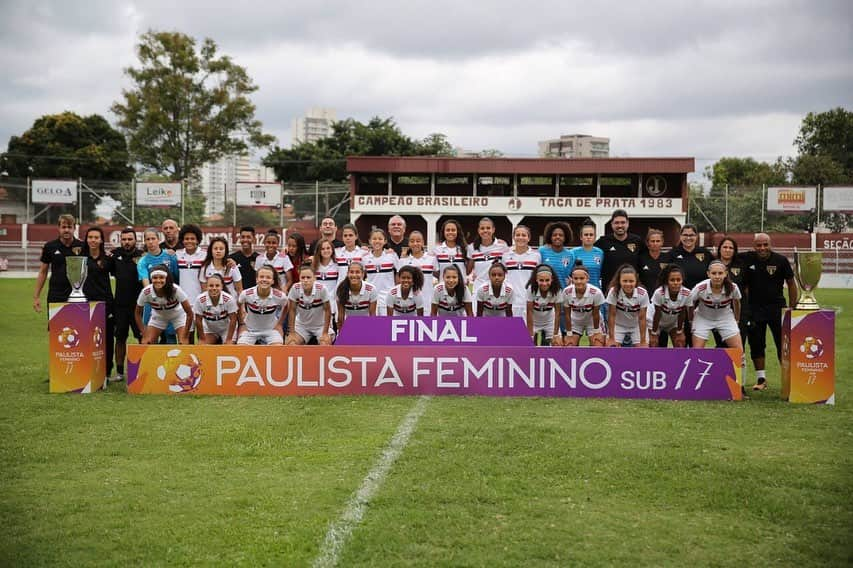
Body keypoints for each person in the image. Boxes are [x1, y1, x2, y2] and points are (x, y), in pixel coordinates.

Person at [742, 233, 797, 391]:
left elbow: (791, 283)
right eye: (759, 245)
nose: (762, 248)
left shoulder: (781, 260)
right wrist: (746, 308)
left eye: (765, 244)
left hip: (777, 309)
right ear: (754, 246)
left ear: (770, 244)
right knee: (757, 343)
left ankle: (789, 379)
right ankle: (761, 378)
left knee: (783, 344)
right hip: (754, 309)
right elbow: (744, 287)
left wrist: (792, 307)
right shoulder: (748, 259)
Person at [33, 214, 85, 314]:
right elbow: (43, 272)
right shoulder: (50, 246)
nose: (66, 230)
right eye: (63, 227)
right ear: (58, 228)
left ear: (74, 228)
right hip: (56, 295)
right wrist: (36, 297)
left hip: (78, 296)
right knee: (56, 329)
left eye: (69, 227)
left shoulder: (82, 246)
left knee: (77, 328)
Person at [82, 226, 116, 379]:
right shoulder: (80, 258)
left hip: (105, 304)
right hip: (84, 304)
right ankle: (87, 368)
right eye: (90, 237)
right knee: (86, 338)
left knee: (107, 339)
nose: (93, 240)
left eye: (96, 237)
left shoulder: (108, 258)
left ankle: (107, 371)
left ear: (101, 240)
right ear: (86, 239)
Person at [689, 260, 744, 354]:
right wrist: (691, 320)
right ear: (708, 274)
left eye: (720, 273)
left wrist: (737, 319)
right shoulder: (700, 287)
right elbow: (690, 302)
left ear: (726, 273)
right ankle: (697, 368)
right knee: (697, 351)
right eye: (714, 273)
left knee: (738, 351)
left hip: (725, 318)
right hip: (703, 318)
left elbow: (737, 302)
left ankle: (740, 368)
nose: (717, 276)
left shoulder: (732, 287)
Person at [112, 228, 143, 381]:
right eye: (124, 239)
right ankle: (119, 372)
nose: (126, 242)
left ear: (135, 240)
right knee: (120, 338)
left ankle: (143, 369)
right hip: (120, 305)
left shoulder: (142, 256)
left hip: (138, 306)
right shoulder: (115, 255)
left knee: (142, 337)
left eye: (130, 239)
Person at [134, 265, 193, 344]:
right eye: (155, 278)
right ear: (151, 279)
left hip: (178, 315)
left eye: (161, 277)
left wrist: (185, 336)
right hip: (159, 316)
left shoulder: (175, 290)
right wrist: (144, 334)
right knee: (147, 342)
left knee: (183, 343)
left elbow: (189, 313)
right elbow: (137, 313)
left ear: (166, 278)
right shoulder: (146, 292)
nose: (158, 280)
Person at [237, 265, 288, 345]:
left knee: (278, 350)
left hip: (271, 330)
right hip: (250, 330)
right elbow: (239, 304)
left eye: (268, 277)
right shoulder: (246, 294)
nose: (264, 279)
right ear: (257, 280)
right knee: (241, 350)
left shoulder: (279, 296)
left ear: (273, 281)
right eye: (261, 277)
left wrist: (280, 324)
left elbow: (286, 306)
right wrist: (242, 323)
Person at [594, 209, 643, 295]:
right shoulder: (603, 242)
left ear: (627, 223)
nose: (620, 225)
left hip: (631, 289)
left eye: (623, 222)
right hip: (610, 290)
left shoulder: (637, 241)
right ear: (612, 224)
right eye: (616, 223)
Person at [714, 235, 748, 348]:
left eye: (730, 248)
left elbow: (746, 288)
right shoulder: (713, 265)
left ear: (735, 251)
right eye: (725, 247)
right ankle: (722, 366)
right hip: (718, 310)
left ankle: (737, 366)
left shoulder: (741, 265)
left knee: (737, 345)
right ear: (720, 249)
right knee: (721, 345)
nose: (727, 250)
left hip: (738, 311)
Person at [562, 261, 606, 347]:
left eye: (582, 278)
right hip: (575, 321)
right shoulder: (566, 292)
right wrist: (569, 333)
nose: (578, 281)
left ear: (587, 278)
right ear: (572, 279)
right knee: (569, 346)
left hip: (592, 321)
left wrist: (597, 332)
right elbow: (567, 315)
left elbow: (596, 314)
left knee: (598, 346)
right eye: (576, 278)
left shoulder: (596, 292)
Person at [467, 217, 509, 308]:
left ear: (493, 229)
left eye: (488, 228)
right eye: (482, 228)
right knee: (477, 318)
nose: (485, 231)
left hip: (497, 288)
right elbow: (468, 270)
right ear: (478, 230)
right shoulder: (472, 247)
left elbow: (507, 268)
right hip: (478, 288)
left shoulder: (502, 245)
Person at [286, 264, 333, 345]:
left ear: (314, 278)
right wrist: (292, 332)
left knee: (325, 344)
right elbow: (292, 310)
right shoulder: (295, 288)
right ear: (299, 278)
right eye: (303, 277)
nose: (305, 280)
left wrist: (325, 333)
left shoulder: (322, 289)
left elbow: (328, 310)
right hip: (302, 326)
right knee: (291, 344)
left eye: (308, 277)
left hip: (321, 326)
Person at [605, 264, 649, 347]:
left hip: (636, 326)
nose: (628, 284)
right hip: (618, 325)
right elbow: (611, 315)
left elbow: (642, 318)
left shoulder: (643, 293)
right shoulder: (614, 292)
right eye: (625, 281)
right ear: (619, 281)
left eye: (631, 281)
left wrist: (643, 341)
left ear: (636, 281)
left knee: (643, 350)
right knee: (611, 347)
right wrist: (611, 338)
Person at [649, 264, 691, 348]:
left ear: (682, 280)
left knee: (680, 343)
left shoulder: (687, 293)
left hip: (673, 322)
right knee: (653, 344)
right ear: (666, 281)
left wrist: (679, 332)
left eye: (678, 280)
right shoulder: (659, 293)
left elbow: (682, 314)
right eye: (672, 280)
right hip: (654, 320)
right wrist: (654, 334)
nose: (675, 283)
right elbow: (657, 314)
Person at [176, 224, 205, 342]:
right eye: (186, 238)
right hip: (183, 302)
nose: (189, 241)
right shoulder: (177, 254)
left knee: (203, 335)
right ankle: (188, 361)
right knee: (187, 336)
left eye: (192, 238)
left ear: (198, 240)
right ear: (182, 240)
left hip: (200, 301)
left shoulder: (205, 255)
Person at [503, 225, 540, 318]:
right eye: (517, 235)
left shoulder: (536, 256)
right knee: (511, 330)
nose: (520, 237)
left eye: (524, 235)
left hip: (529, 300)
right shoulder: (506, 256)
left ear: (529, 238)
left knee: (528, 331)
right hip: (511, 301)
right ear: (513, 237)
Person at [193, 274, 238, 345]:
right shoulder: (200, 300)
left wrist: (229, 339)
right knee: (203, 347)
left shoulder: (229, 299)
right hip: (209, 329)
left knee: (228, 348)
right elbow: (198, 320)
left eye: (217, 286)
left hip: (226, 329)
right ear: (206, 287)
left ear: (222, 287)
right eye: (211, 286)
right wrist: (202, 338)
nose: (214, 288)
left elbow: (233, 319)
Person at [397, 230, 436, 308]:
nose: (415, 243)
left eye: (418, 241)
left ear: (423, 242)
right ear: (408, 243)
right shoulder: (403, 260)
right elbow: (398, 282)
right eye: (412, 241)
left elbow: (438, 276)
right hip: (409, 302)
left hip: (428, 301)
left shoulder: (432, 258)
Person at [526, 264, 563, 346]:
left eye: (547, 280)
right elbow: (529, 312)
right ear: (536, 280)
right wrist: (531, 335)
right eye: (541, 280)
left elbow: (557, 313)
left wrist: (556, 335)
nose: (544, 283)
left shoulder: (557, 290)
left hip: (549, 320)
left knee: (558, 344)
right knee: (527, 345)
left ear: (551, 279)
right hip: (533, 320)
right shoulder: (531, 289)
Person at [364, 228, 398, 315]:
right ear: (370, 241)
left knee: (386, 325)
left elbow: (399, 272)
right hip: (370, 297)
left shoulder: (391, 255)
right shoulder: (365, 257)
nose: (377, 241)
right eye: (374, 239)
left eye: (380, 239)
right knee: (372, 325)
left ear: (385, 241)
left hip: (387, 296)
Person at [667, 223, 711, 289]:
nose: (688, 238)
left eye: (691, 235)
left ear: (696, 236)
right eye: (685, 235)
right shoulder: (672, 254)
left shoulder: (705, 252)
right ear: (680, 236)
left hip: (701, 294)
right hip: (680, 294)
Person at [336, 261, 377, 329]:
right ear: (347, 274)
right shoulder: (340, 289)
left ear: (363, 274)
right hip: (348, 326)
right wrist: (341, 334)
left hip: (366, 325)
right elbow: (341, 316)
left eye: (357, 272)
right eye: (351, 272)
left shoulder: (371, 289)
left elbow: (372, 315)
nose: (354, 275)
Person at [311, 238, 340, 331]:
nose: (326, 251)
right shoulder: (313, 265)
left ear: (332, 250)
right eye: (323, 249)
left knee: (330, 331)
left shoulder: (337, 265)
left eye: (328, 248)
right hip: (316, 304)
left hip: (332, 303)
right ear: (319, 251)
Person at [538, 221, 574, 288]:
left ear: (565, 237)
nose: (557, 237)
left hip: (562, 292)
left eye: (561, 235)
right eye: (554, 235)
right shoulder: (542, 251)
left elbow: (568, 276)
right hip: (545, 292)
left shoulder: (570, 255)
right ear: (550, 237)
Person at [571, 220, 604, 289]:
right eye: (586, 235)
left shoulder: (600, 253)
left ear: (595, 237)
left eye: (591, 235)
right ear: (581, 237)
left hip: (595, 290)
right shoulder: (573, 253)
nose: (588, 237)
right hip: (577, 290)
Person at [334, 224, 368, 288]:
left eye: (350, 235)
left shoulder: (364, 253)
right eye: (345, 236)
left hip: (358, 288)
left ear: (356, 236)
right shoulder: (336, 252)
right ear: (342, 238)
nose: (348, 238)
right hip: (341, 289)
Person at [638, 228, 668, 294]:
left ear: (662, 242)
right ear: (647, 242)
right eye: (652, 241)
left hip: (662, 296)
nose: (655, 243)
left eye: (658, 241)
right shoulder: (640, 258)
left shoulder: (668, 258)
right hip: (645, 297)